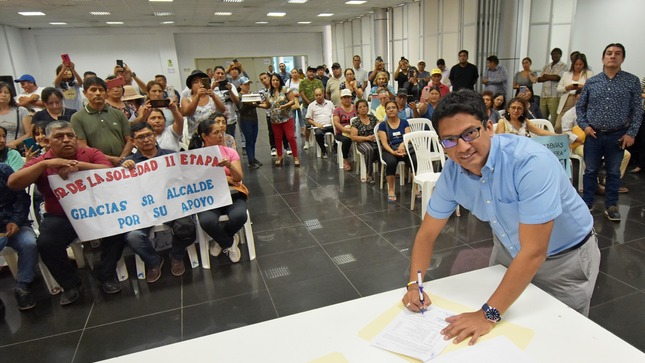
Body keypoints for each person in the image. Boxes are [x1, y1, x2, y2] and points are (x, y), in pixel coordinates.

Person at [402, 90, 600, 346]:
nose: (462, 147)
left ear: (489, 128)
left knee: (557, 341)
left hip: (563, 261)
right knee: (500, 341)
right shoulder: (453, 171)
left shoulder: (530, 162)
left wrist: (488, 313)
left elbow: (534, 252)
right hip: (508, 253)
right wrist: (413, 285)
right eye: (449, 140)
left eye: (470, 133)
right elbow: (427, 234)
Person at [8, 121, 127, 305]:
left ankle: (105, 275)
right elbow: (13, 183)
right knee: (46, 243)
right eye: (59, 137)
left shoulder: (90, 153)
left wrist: (79, 165)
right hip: (60, 216)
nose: (66, 140)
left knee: (119, 229)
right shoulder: (42, 161)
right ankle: (71, 285)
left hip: (97, 212)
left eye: (70, 136)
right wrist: (45, 165)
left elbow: (109, 171)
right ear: (47, 141)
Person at [576, 43, 643, 221]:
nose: (613, 56)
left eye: (617, 53)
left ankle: (611, 205)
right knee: (590, 171)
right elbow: (580, 107)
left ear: (622, 58)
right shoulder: (592, 81)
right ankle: (587, 203)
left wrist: (631, 134)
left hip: (618, 135)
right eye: (609, 53)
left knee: (614, 172)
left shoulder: (632, 81)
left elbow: (637, 110)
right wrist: (585, 126)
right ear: (603, 58)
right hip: (594, 134)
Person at [122, 123, 196, 281]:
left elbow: (187, 179)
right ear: (133, 142)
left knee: (188, 228)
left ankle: (176, 256)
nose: (146, 139)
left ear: (154, 136)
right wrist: (123, 169)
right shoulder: (129, 163)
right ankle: (154, 262)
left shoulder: (171, 156)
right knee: (133, 237)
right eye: (140, 137)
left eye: (149, 135)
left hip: (172, 206)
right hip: (144, 211)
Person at [189, 120, 248, 263]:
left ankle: (221, 240)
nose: (221, 135)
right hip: (209, 198)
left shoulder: (230, 152)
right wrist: (224, 177)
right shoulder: (194, 156)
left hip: (232, 194)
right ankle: (228, 242)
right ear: (204, 136)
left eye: (221, 132)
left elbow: (238, 177)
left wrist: (229, 166)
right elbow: (193, 180)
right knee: (206, 221)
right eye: (216, 133)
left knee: (239, 216)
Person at [70, 77, 133, 167]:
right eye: (93, 90)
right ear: (85, 93)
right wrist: (110, 159)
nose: (98, 93)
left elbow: (130, 139)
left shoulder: (119, 114)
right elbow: (82, 146)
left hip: (124, 164)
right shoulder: (77, 117)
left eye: (101, 90)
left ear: (106, 93)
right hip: (97, 165)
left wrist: (122, 159)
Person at [0, 163, 38, 310]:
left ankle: (23, 286)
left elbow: (21, 197)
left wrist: (15, 220)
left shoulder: (3, 170)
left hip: (15, 224)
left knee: (29, 243)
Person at [377, 100, 415, 202]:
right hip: (390, 149)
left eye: (393, 107)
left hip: (404, 147)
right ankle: (391, 190)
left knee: (414, 160)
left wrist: (403, 144)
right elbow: (384, 143)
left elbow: (409, 137)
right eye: (388, 108)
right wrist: (393, 152)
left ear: (397, 110)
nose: (391, 110)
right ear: (385, 111)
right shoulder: (383, 125)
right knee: (391, 162)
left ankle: (415, 188)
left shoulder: (404, 122)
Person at [261, 74, 300, 166]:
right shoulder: (269, 93)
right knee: (277, 139)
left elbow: (293, 101)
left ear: (280, 81)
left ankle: (295, 157)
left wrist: (284, 106)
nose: (275, 82)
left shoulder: (285, 89)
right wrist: (257, 105)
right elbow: (267, 105)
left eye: (277, 80)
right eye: (273, 80)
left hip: (287, 118)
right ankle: (280, 156)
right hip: (275, 120)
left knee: (290, 137)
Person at [555, 53, 593, 133]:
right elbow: (558, 89)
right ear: (573, 64)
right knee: (558, 126)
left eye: (580, 64)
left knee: (577, 125)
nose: (578, 66)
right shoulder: (566, 74)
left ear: (584, 64)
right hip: (567, 99)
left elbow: (593, 88)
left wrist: (582, 87)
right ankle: (561, 142)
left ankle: (575, 141)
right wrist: (567, 87)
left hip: (581, 99)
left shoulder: (588, 74)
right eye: (576, 64)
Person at [181, 70, 226, 135]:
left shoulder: (213, 97)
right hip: (196, 137)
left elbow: (222, 110)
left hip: (213, 136)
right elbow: (188, 112)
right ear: (191, 86)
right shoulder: (186, 100)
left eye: (202, 81)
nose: (199, 84)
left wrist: (213, 95)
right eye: (195, 82)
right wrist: (197, 96)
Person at [350, 99, 380, 183]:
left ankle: (383, 173)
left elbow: (378, 127)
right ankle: (369, 174)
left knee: (382, 147)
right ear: (357, 110)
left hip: (374, 140)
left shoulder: (372, 118)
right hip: (362, 142)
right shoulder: (356, 121)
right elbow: (353, 137)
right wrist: (366, 138)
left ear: (367, 108)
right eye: (360, 107)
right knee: (368, 149)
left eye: (364, 106)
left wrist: (375, 134)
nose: (363, 108)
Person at [237, 77, 262, 168]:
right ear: (240, 85)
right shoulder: (239, 96)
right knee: (249, 139)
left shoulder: (252, 94)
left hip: (254, 118)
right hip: (245, 119)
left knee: (254, 139)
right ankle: (250, 160)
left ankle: (253, 157)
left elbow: (257, 104)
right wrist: (249, 103)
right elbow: (240, 108)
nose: (247, 86)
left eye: (248, 84)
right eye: (245, 84)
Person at [537, 48, 567, 123]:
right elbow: (539, 79)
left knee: (554, 118)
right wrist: (550, 77)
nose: (554, 55)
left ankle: (552, 133)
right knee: (542, 117)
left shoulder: (563, 66)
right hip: (543, 95)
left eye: (557, 54)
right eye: (553, 54)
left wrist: (546, 76)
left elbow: (557, 78)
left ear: (560, 55)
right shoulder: (547, 66)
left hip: (554, 96)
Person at [0, 81, 32, 150]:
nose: (3, 95)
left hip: (18, 149)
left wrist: (11, 144)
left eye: (7, 92)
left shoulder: (21, 110)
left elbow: (29, 133)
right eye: (0, 92)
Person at [305, 88, 335, 159]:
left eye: (320, 94)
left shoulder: (330, 103)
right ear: (314, 96)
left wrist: (333, 120)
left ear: (323, 94)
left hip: (331, 125)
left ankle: (335, 147)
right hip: (319, 127)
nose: (318, 96)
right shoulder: (311, 105)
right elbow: (308, 118)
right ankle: (324, 150)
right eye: (316, 95)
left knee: (339, 132)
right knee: (318, 134)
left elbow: (335, 114)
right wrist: (315, 124)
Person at [299, 67, 324, 150]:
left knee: (321, 123)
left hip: (319, 106)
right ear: (306, 72)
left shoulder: (318, 82)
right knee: (308, 125)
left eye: (313, 72)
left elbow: (322, 92)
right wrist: (310, 104)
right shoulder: (303, 82)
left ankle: (321, 141)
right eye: (310, 71)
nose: (311, 73)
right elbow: (302, 93)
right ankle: (307, 142)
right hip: (307, 106)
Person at [333, 89, 356, 170]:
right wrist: (344, 130)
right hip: (341, 133)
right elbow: (336, 123)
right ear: (341, 99)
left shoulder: (356, 108)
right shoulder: (337, 110)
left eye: (348, 97)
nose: (347, 99)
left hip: (354, 131)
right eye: (345, 97)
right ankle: (345, 159)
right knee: (346, 140)